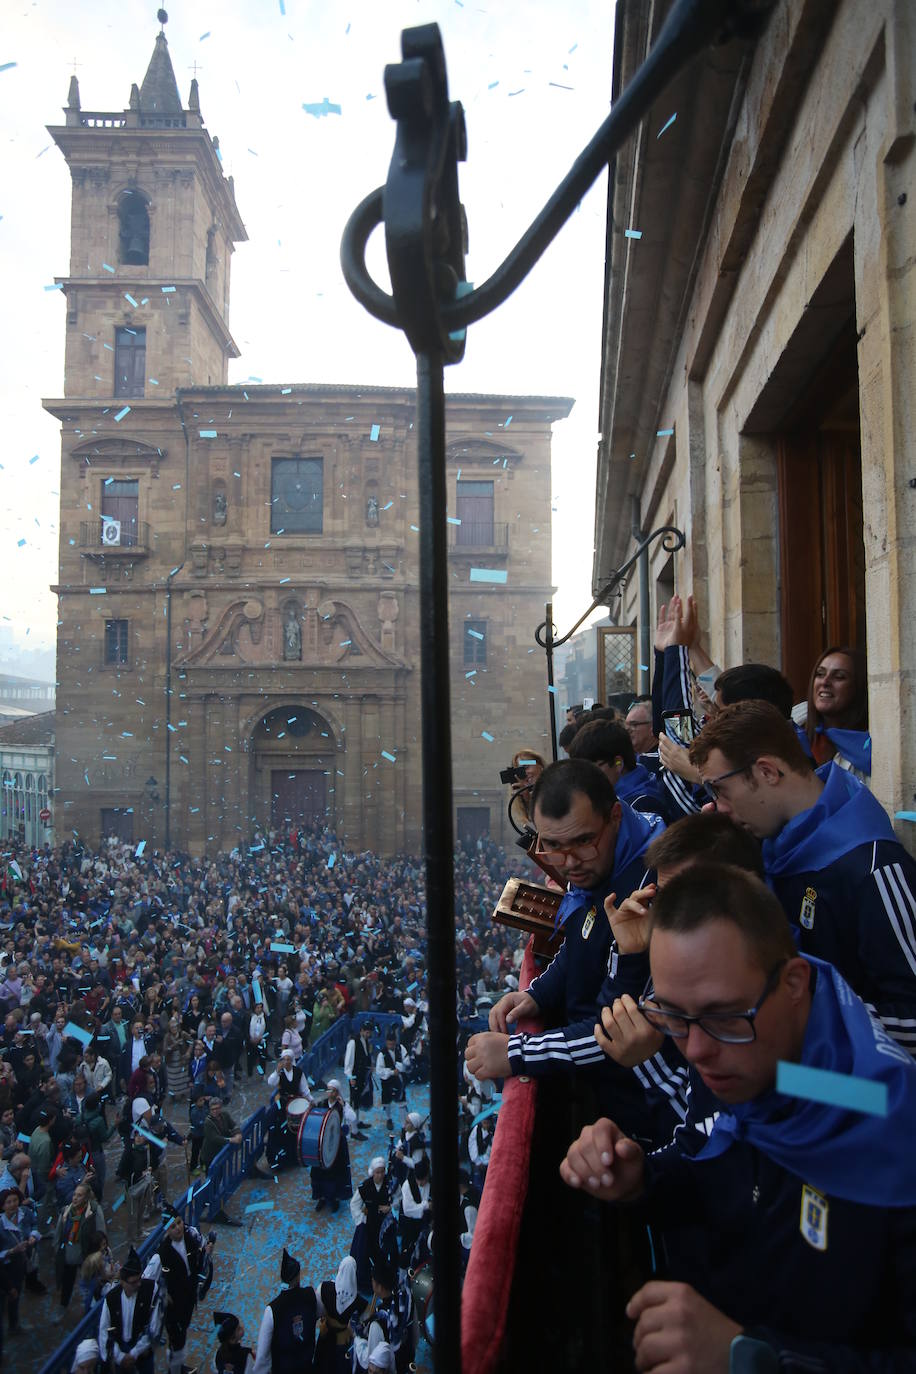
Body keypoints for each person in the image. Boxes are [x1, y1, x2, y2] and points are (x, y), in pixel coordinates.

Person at [560, 863, 916, 1370]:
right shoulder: (779, 1068)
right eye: (673, 1016)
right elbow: (720, 1159)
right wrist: (643, 1175)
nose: (698, 1051)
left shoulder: (890, 1124)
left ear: (794, 982)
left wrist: (751, 1356)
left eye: (723, 1016)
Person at [689, 701, 916, 1057]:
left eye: (720, 790)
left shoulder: (873, 866)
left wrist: (792, 1012)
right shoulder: (769, 845)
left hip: (861, 1097)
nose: (716, 807)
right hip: (787, 1073)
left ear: (767, 772)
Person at [467, 760, 665, 1141]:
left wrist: (517, 1053)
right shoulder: (605, 862)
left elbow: (616, 1031)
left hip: (643, 1116)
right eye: (553, 846)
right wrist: (537, 994)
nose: (569, 863)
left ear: (616, 816)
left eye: (583, 842)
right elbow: (579, 944)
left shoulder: (650, 890)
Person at [795, 645, 871, 779]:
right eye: (820, 674)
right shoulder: (795, 723)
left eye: (839, 677)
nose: (825, 682)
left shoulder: (870, 749)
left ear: (858, 687)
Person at [157, 1207, 214, 1374]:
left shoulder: (190, 1237)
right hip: (174, 1304)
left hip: (189, 1296)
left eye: (179, 1222)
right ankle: (174, 1370)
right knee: (177, 1339)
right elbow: (151, 1279)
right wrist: (163, 1294)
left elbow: (199, 1258)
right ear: (167, 1230)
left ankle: (178, 1366)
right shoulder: (163, 1252)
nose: (178, 1228)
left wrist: (206, 1251)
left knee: (184, 1328)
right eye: (173, 1226)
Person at [252, 1248, 318, 1374]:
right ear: (298, 1276)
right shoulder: (311, 1295)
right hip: (306, 1366)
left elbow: (262, 1355)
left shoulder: (272, 1310)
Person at [98, 1247, 162, 1374]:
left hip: (143, 1351)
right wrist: (120, 1357)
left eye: (139, 1279)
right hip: (120, 1350)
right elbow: (104, 1329)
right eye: (133, 1282)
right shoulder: (111, 1298)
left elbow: (155, 1326)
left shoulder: (151, 1289)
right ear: (122, 1281)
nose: (138, 1284)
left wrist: (135, 1352)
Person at [53, 1180, 106, 1312]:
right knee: (67, 1282)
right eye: (75, 1195)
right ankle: (63, 1305)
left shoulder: (94, 1211)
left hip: (86, 1254)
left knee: (92, 1282)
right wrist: (58, 1251)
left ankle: (95, 1309)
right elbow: (59, 1234)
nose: (75, 1198)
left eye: (80, 1195)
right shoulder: (66, 1211)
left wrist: (100, 1251)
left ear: (86, 1197)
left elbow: (101, 1232)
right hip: (70, 1254)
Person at [350, 1156, 396, 1293]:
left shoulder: (390, 1184)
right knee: (368, 1253)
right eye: (377, 1172)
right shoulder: (365, 1187)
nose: (380, 1175)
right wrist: (361, 1221)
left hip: (386, 1227)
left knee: (385, 1253)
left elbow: (400, 1200)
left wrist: (391, 1208)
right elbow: (354, 1204)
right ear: (372, 1172)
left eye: (382, 1172)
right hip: (370, 1227)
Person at [312, 1080, 355, 1214]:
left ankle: (334, 1198)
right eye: (329, 1090)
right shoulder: (322, 1104)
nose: (330, 1092)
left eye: (333, 1090)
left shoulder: (342, 1106)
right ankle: (322, 1197)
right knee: (320, 1170)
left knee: (335, 1172)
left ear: (337, 1092)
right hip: (322, 1143)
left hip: (336, 1144)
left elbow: (352, 1118)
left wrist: (345, 1105)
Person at [314, 1256, 360, 1374]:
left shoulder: (324, 1288)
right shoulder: (358, 1301)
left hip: (326, 1336)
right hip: (343, 1341)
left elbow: (317, 1312)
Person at [344, 1022, 374, 1135]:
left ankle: (357, 1122)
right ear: (361, 1030)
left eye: (370, 1032)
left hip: (363, 1076)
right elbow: (348, 1062)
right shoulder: (353, 1042)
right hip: (355, 1076)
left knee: (359, 1099)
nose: (368, 1034)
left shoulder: (366, 1041)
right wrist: (350, 1077)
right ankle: (354, 1130)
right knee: (354, 1101)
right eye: (367, 1032)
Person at [214, 1310, 255, 1374]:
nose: (242, 1327)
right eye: (239, 1328)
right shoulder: (246, 1355)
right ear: (232, 1338)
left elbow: (217, 1370)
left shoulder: (218, 1353)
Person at [375, 1030, 407, 1106]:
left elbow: (407, 1061)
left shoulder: (401, 1048)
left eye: (392, 1044)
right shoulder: (381, 1054)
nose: (391, 1046)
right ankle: (388, 1117)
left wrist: (401, 1068)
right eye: (389, 1044)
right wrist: (392, 1072)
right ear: (386, 1042)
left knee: (402, 1101)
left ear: (395, 1042)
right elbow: (378, 1071)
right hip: (387, 1082)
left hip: (399, 1080)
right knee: (386, 1102)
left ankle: (403, 1117)